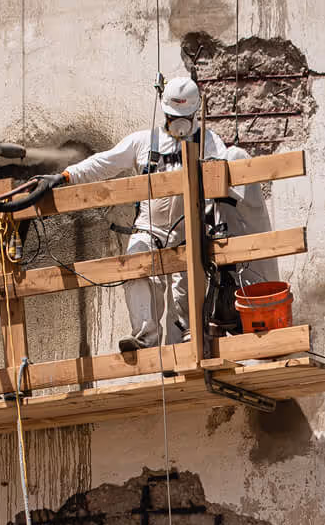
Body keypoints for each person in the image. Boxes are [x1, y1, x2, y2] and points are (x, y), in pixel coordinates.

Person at [58, 76, 272, 352]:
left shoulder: (208, 141)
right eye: (173, 117)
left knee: (185, 290)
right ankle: (144, 336)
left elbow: (226, 171)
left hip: (190, 229)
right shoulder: (144, 141)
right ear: (164, 111)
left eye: (184, 116)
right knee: (135, 265)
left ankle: (183, 341)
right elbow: (104, 163)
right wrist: (67, 175)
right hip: (151, 228)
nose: (179, 123)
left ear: (196, 113)